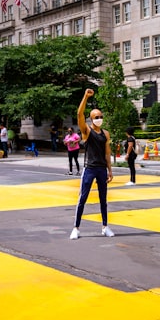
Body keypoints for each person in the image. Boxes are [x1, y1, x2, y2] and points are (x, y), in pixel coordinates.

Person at [69, 88, 114, 239]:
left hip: (101, 169)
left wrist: (110, 170)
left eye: (100, 116)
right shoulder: (87, 131)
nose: (99, 118)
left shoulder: (105, 133)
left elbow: (107, 153)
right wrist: (85, 97)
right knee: (83, 198)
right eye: (96, 117)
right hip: (89, 168)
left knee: (103, 199)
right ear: (91, 118)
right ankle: (76, 228)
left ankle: (105, 226)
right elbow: (79, 114)